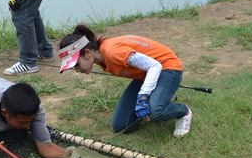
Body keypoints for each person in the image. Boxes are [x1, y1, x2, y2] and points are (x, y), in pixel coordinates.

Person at [58, 25, 192, 137]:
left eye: (76, 64)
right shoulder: (98, 57)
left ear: (87, 53)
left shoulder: (112, 52)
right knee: (121, 125)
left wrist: (142, 97)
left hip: (167, 68)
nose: (76, 69)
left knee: (155, 111)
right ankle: (160, 95)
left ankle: (183, 111)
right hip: (146, 74)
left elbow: (155, 66)